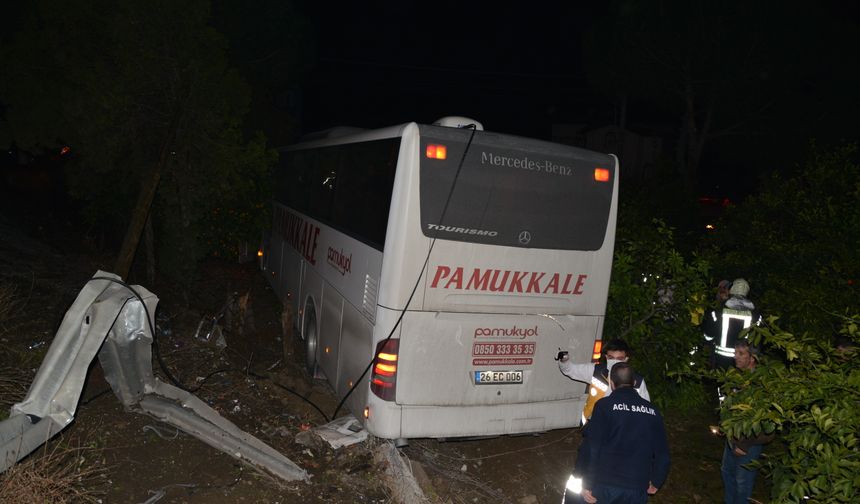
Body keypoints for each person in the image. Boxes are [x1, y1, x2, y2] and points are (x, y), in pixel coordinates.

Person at [573, 362, 670, 503]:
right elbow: (663, 454)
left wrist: (586, 483)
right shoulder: (653, 411)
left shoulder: (604, 406)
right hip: (636, 487)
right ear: (635, 382)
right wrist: (656, 481)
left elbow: (591, 447)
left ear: (612, 383)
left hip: (605, 485)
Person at [720, 340, 772, 504]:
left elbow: (766, 424)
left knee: (742, 484)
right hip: (732, 440)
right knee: (727, 474)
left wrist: (744, 445)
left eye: (741, 354)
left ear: (753, 358)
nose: (735, 357)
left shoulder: (761, 385)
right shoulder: (737, 378)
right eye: (735, 353)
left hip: (748, 446)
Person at [557, 338, 650, 424]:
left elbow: (646, 410)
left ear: (626, 359)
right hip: (594, 423)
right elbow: (570, 370)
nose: (614, 361)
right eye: (611, 357)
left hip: (622, 427)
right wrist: (564, 361)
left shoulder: (637, 381)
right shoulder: (596, 371)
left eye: (619, 359)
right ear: (606, 357)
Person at [702, 278, 763, 370]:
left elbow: (708, 336)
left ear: (732, 290)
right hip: (744, 359)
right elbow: (757, 339)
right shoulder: (756, 315)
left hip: (721, 359)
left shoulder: (718, 312)